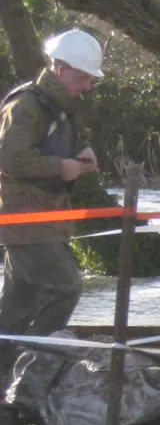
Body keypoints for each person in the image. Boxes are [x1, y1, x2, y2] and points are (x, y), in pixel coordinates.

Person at [0, 30, 100, 347]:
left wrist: (85, 152)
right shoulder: (26, 105)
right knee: (65, 287)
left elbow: (68, 140)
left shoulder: (62, 105)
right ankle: (33, 360)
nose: (87, 86)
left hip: (46, 220)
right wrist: (61, 166)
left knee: (17, 301)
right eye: (83, 78)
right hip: (26, 221)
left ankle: (8, 367)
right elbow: (9, 159)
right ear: (60, 69)